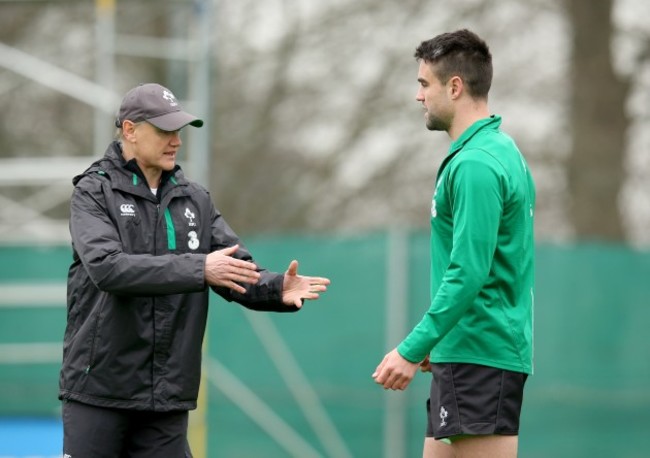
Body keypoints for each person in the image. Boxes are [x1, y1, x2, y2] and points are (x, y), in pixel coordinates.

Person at [59, 83, 331, 457]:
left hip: (166, 396)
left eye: (179, 131)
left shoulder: (195, 199)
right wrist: (200, 268)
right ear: (130, 131)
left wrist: (274, 288)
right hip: (99, 391)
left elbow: (232, 268)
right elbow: (109, 270)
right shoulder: (93, 192)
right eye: (164, 131)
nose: (176, 141)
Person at [372, 30, 535, 458]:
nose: (418, 96)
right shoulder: (496, 150)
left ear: (455, 87)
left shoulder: (478, 164)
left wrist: (412, 347)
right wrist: (439, 342)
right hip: (465, 352)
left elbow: (470, 271)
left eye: (424, 83)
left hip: (481, 355)